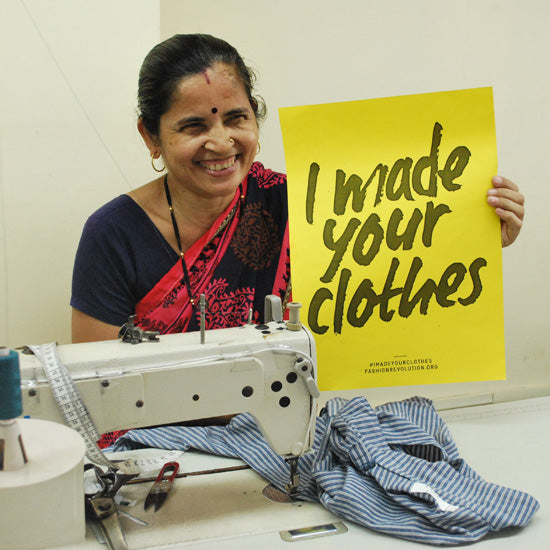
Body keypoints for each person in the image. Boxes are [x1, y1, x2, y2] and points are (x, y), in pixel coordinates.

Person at [70, 34, 525, 344]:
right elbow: (98, 386)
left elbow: (391, 272)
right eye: (194, 126)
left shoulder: (297, 204)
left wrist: (476, 235)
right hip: (153, 443)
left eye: (236, 118)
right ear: (151, 135)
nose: (222, 143)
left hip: (275, 428)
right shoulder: (113, 234)